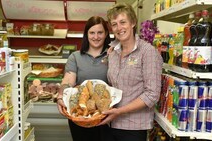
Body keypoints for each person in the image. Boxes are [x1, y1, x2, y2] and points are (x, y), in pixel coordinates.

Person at [98, 3, 163, 141]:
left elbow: (152, 95)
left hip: (134, 127)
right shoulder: (113, 53)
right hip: (110, 123)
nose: (119, 28)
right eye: (114, 24)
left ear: (132, 22)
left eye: (123, 22)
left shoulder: (148, 52)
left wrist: (120, 111)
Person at [56, 16, 111, 141]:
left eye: (100, 32)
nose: (96, 37)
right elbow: (68, 82)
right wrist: (60, 96)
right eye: (92, 33)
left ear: (106, 33)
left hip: (106, 116)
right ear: (86, 34)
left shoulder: (113, 55)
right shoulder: (75, 57)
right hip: (80, 116)